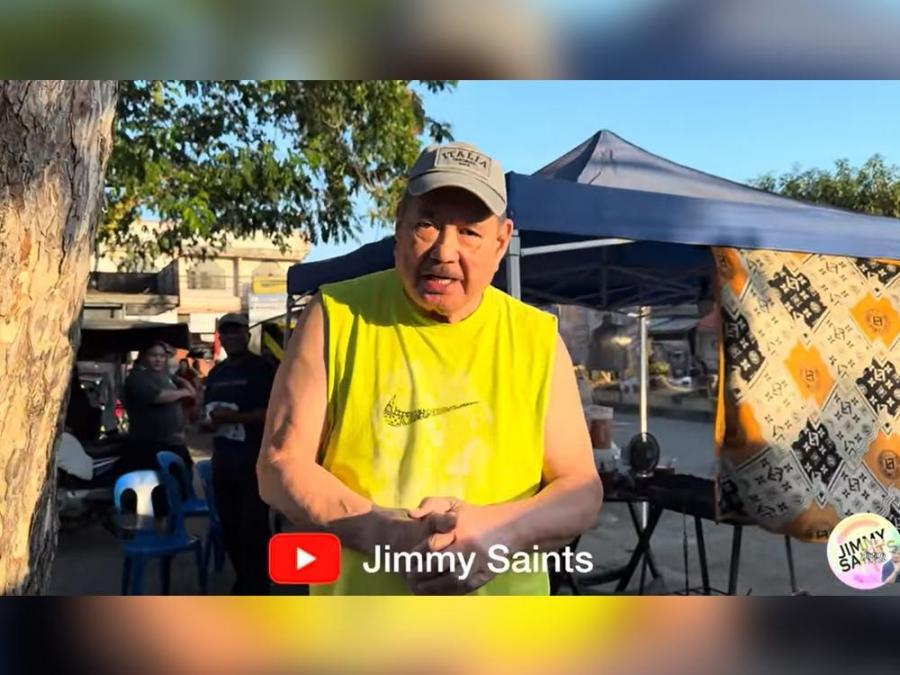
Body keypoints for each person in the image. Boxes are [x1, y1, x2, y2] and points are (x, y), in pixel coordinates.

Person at [257, 142, 603, 595]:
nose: (444, 251)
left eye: (469, 232)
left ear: (501, 242)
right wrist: (387, 535)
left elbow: (581, 488)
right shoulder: (335, 315)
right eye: (427, 225)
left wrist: (500, 532)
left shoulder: (537, 338)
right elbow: (280, 464)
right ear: (399, 225)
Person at [200, 313, 275, 595]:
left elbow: (273, 414)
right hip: (223, 461)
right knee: (230, 527)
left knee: (253, 528)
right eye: (226, 333)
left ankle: (258, 587)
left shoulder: (263, 369)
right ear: (220, 338)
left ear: (247, 335)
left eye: (237, 332)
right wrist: (207, 423)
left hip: (254, 462)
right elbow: (207, 414)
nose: (231, 338)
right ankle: (243, 582)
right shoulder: (217, 374)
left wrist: (235, 417)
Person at [122, 341, 195, 472]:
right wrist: (182, 392)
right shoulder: (137, 378)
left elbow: (192, 392)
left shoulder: (167, 377)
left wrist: (178, 380)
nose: (158, 359)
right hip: (149, 444)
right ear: (144, 357)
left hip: (174, 443)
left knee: (184, 478)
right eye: (153, 355)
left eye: (162, 356)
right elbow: (157, 397)